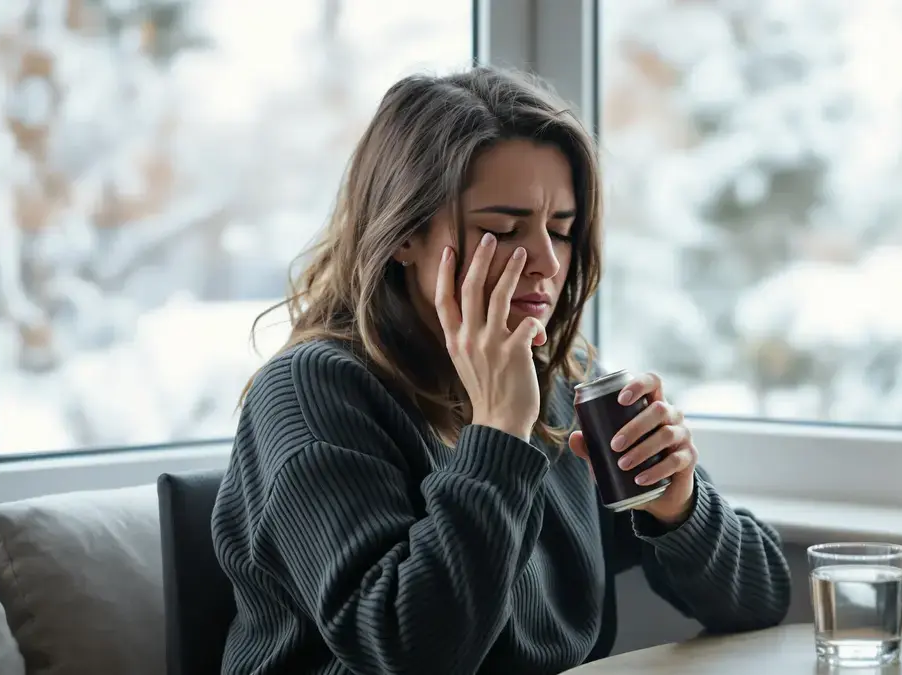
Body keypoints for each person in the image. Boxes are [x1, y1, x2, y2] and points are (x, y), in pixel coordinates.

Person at [211, 66, 791, 675]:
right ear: (404, 235)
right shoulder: (310, 393)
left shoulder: (562, 381)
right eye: (502, 229)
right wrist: (500, 433)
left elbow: (762, 599)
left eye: (561, 231)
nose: (546, 262)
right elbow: (410, 653)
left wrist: (679, 506)